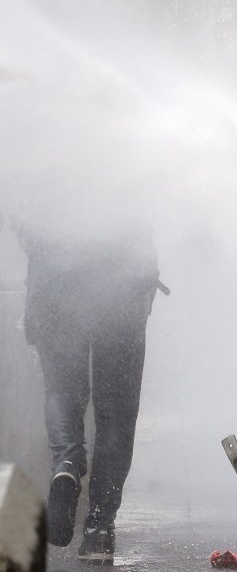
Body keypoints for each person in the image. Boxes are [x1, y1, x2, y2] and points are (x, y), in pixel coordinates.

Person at [11, 213, 160, 563]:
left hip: (55, 278)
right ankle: (99, 529)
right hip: (123, 280)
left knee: (62, 389)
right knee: (116, 410)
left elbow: (19, 209)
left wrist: (41, 246)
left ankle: (66, 462)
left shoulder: (40, 160)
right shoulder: (131, 161)